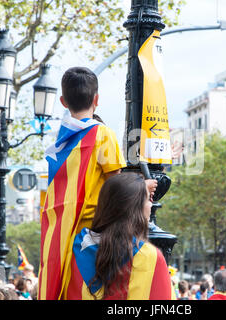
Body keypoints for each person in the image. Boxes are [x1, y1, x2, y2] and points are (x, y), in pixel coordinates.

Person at [38, 67, 157, 300]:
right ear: (97, 100)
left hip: (64, 236)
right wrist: (143, 187)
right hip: (94, 238)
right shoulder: (102, 134)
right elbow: (118, 188)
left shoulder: (59, 144)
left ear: (63, 102)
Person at [63, 172, 173, 300]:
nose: (151, 205)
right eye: (149, 199)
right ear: (136, 208)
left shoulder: (72, 248)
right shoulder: (148, 256)